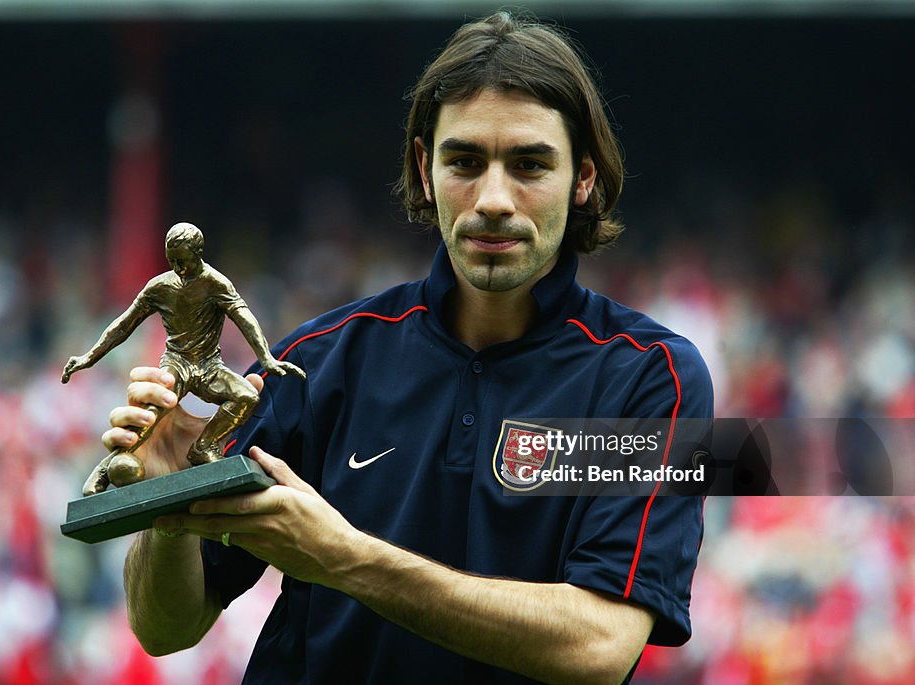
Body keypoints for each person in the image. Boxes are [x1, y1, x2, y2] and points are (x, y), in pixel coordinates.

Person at [108, 12, 713, 685]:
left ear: (584, 179)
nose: (491, 199)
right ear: (425, 170)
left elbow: (599, 646)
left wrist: (344, 556)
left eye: (529, 164)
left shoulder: (650, 378)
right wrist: (165, 514)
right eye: (464, 161)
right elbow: (166, 627)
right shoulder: (318, 361)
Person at [62, 222, 304, 495]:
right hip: (176, 363)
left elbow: (244, 318)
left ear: (198, 253)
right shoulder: (160, 287)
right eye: (172, 260)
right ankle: (103, 470)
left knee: (246, 396)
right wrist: (88, 358)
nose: (177, 267)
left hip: (209, 365)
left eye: (183, 261)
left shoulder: (215, 283)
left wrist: (267, 359)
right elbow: (123, 324)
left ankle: (203, 447)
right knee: (150, 416)